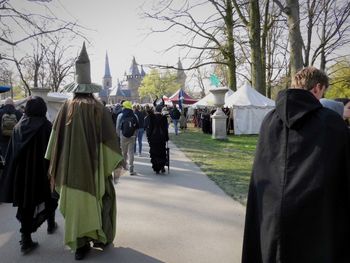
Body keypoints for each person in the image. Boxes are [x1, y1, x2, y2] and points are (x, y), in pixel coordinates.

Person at [242, 66, 350, 263]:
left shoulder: (269, 120)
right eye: (323, 91)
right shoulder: (330, 122)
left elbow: (262, 170)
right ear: (317, 88)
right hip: (314, 218)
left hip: (271, 212)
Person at [45, 43, 123, 260]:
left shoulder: (65, 109)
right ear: (91, 88)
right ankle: (97, 236)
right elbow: (110, 144)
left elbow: (53, 143)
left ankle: (79, 246)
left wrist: (56, 165)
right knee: (102, 197)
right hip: (94, 170)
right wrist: (112, 165)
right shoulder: (98, 108)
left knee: (76, 207)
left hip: (69, 173)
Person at [0, 96, 58, 255]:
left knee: (26, 204)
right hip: (42, 174)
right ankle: (51, 224)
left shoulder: (18, 127)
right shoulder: (46, 126)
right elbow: (53, 152)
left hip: (22, 176)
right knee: (50, 197)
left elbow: (11, 155)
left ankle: (26, 239)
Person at [146, 98, 169, 174]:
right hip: (162, 138)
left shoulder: (151, 117)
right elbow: (165, 129)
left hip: (153, 138)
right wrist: (166, 138)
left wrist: (148, 137)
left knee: (154, 152)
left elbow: (149, 128)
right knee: (162, 152)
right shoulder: (164, 118)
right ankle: (162, 166)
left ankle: (156, 168)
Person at [116, 100, 139, 175]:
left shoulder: (120, 115)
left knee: (124, 152)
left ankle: (124, 166)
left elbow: (117, 127)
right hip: (132, 136)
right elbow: (137, 127)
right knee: (131, 152)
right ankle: (131, 168)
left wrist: (119, 135)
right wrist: (135, 135)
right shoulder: (134, 115)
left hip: (123, 136)